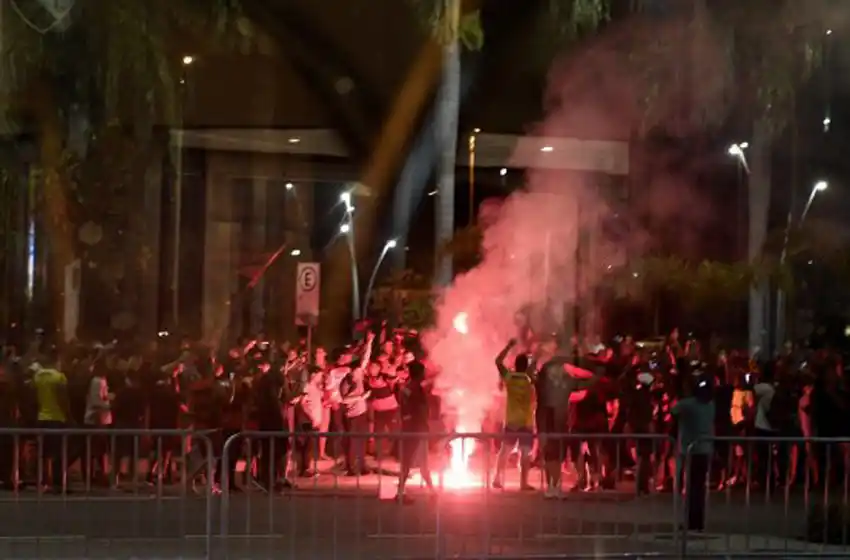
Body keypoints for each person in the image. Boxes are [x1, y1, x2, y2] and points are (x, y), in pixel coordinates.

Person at [536, 340, 600, 499]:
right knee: (555, 454)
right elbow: (590, 381)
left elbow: (585, 386)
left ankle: (552, 486)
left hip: (549, 419)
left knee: (551, 454)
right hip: (556, 420)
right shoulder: (565, 382)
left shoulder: (547, 380)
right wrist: (582, 372)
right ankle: (554, 486)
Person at [672, 373, 715, 532]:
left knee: (691, 488)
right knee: (699, 488)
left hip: (691, 450)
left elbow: (673, 410)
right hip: (705, 449)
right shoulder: (711, 405)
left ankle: (691, 521)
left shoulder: (687, 404)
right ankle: (698, 521)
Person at [492, 338, 535, 491]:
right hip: (527, 421)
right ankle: (523, 483)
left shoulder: (509, 378)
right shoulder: (530, 381)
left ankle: (497, 478)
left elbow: (498, 361)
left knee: (505, 450)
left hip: (511, 420)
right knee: (525, 453)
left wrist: (509, 346)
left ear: (515, 365)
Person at [31, 346, 73, 493]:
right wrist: (68, 416)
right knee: (58, 453)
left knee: (44, 453)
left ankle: (44, 481)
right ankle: (58, 482)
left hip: (42, 417)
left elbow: (34, 398)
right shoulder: (59, 377)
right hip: (57, 418)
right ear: (57, 360)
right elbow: (63, 399)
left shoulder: (38, 377)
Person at [396, 359, 435, 504]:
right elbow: (421, 410)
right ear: (420, 373)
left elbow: (404, 408)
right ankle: (431, 491)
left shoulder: (406, 387)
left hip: (408, 429)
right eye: (424, 372)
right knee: (422, 463)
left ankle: (430, 491)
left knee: (407, 463)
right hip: (418, 429)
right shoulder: (417, 390)